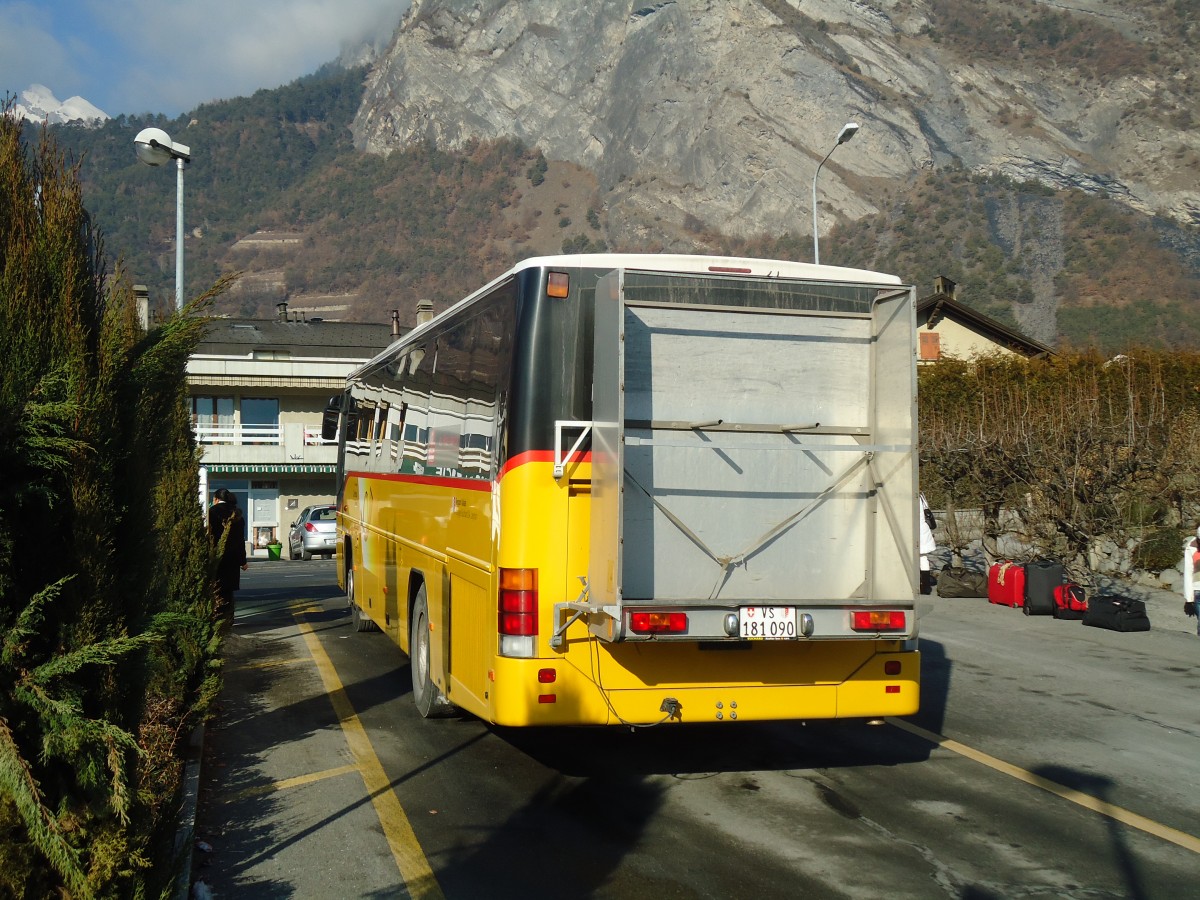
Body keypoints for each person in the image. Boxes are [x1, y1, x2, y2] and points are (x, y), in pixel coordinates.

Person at [209, 488, 248, 627]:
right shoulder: (237, 514)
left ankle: (216, 619)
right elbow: (240, 541)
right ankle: (228, 620)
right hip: (232, 558)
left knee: (215, 588)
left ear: (215, 499)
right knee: (228, 591)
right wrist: (243, 561)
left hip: (215, 557)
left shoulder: (211, 513)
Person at [919, 493, 937, 595]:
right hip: (923, 530)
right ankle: (926, 587)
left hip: (915, 530)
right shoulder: (921, 496)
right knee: (923, 558)